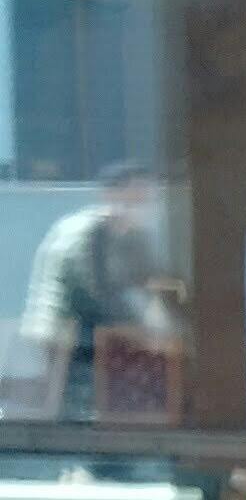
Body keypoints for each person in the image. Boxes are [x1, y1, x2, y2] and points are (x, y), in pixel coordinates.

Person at [9, 163, 184, 420]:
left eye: (147, 195)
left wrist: (163, 317)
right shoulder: (83, 233)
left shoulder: (133, 233)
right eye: (137, 194)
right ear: (113, 194)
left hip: (101, 335)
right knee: (77, 408)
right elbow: (97, 294)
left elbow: (153, 278)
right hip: (65, 336)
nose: (145, 202)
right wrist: (147, 324)